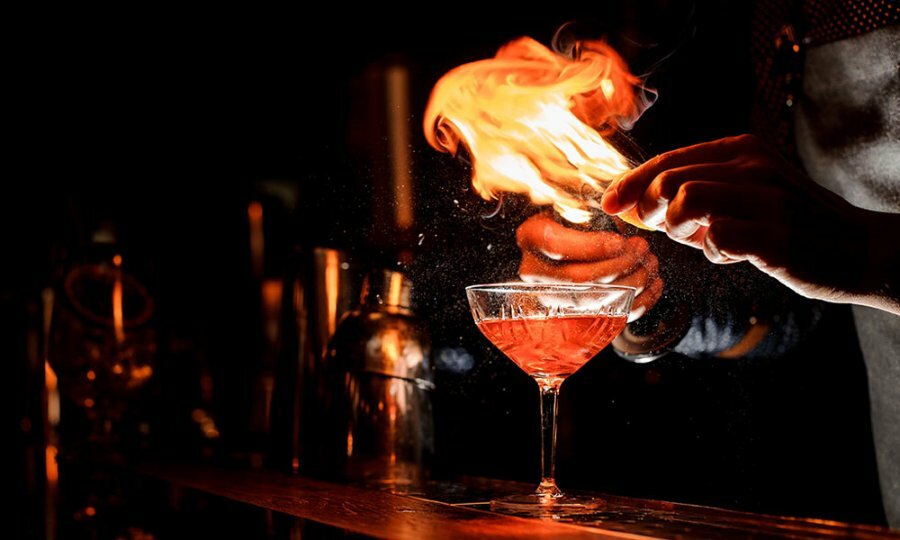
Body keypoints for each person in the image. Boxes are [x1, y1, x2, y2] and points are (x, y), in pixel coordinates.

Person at [517, 9, 899, 527]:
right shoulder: (781, 17)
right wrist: (645, 297)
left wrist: (868, 251)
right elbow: (795, 304)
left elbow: (843, 253)